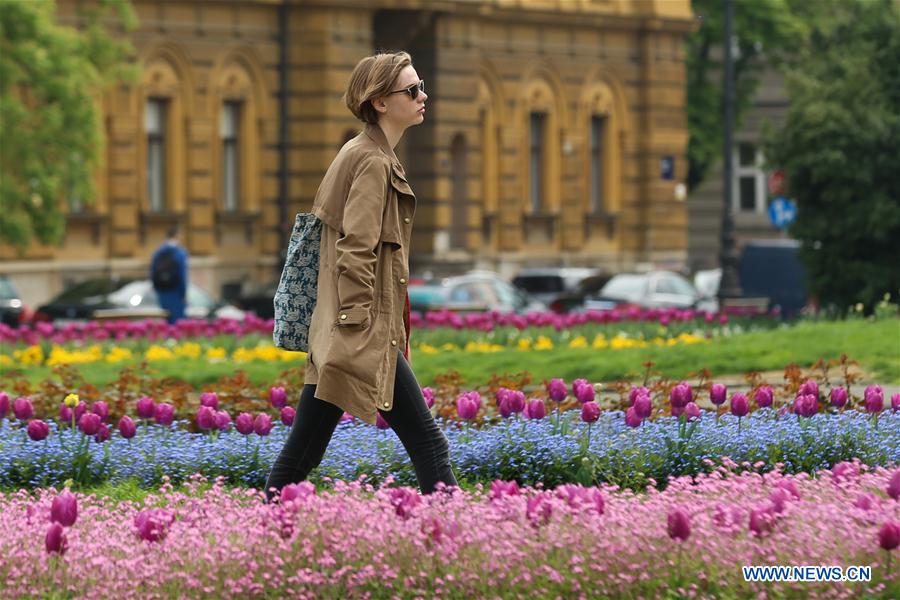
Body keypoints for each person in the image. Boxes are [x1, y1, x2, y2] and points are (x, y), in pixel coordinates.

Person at [264, 51, 458, 501]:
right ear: (380, 102)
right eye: (411, 90)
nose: (422, 95)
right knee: (430, 443)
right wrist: (358, 322)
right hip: (363, 331)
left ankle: (268, 524)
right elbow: (356, 247)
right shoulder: (371, 161)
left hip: (348, 330)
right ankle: (457, 538)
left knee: (305, 450)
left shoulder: (367, 153)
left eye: (420, 84)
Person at [150, 225, 188, 324]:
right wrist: (183, 294)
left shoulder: (158, 252)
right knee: (177, 324)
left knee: (165, 323)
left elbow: (153, 273)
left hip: (162, 292)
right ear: (177, 235)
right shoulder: (180, 253)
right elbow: (183, 276)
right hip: (176, 292)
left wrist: (157, 289)